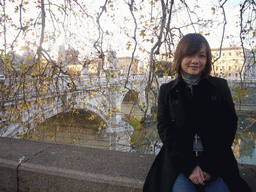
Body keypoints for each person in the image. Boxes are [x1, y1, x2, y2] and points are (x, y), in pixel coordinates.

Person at [143, 33, 252, 192]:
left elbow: (229, 125)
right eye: (189, 55)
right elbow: (164, 129)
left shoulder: (220, 86)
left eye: (201, 56)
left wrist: (210, 166)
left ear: (207, 60)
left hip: (216, 159)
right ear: (180, 57)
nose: (195, 61)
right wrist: (189, 167)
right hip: (179, 160)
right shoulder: (167, 90)